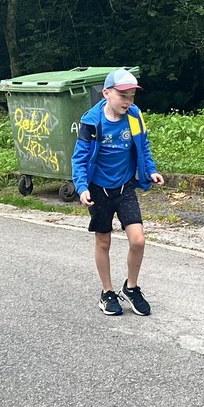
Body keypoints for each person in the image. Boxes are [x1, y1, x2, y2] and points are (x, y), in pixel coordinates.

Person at [71, 68, 164, 317]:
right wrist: (82, 188)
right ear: (106, 93)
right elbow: (79, 158)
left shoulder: (134, 116)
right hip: (98, 189)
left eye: (131, 96)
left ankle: (131, 288)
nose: (127, 101)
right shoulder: (92, 121)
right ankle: (107, 292)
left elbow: (143, 147)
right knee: (103, 241)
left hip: (125, 187)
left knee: (138, 240)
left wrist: (151, 171)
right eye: (123, 95)